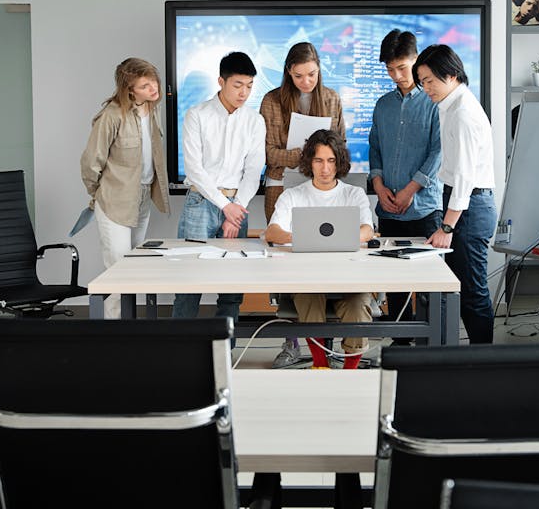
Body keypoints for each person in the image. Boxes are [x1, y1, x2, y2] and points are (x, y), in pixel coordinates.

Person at [260, 41, 345, 368]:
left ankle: (329, 344)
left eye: (311, 74)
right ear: (288, 73)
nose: (306, 81)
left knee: (326, 262)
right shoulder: (271, 101)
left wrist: (319, 158)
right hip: (282, 185)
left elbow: (340, 146)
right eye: (298, 76)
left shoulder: (332, 99)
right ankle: (291, 342)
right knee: (285, 265)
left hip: (322, 187)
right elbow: (267, 153)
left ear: (319, 69)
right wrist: (304, 154)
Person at [171, 51, 266, 329]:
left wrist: (234, 209)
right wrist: (226, 208)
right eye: (238, 85)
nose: (244, 92)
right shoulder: (197, 115)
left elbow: (253, 171)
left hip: (238, 204)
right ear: (221, 81)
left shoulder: (254, 121)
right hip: (201, 203)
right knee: (190, 283)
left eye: (249, 86)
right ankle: (180, 351)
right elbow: (194, 170)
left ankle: (226, 351)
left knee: (232, 288)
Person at [265, 129, 374, 369]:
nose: (325, 168)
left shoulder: (353, 194)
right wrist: (304, 237)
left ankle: (349, 371)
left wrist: (342, 239)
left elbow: (368, 230)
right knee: (308, 298)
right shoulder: (293, 195)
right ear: (309, 163)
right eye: (319, 160)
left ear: (339, 163)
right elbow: (272, 233)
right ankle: (320, 364)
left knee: (357, 307)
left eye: (331, 161)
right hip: (308, 278)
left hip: (350, 278)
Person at [414, 44, 496, 344]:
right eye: (422, 82)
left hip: (470, 205)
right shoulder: (450, 106)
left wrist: (447, 226)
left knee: (473, 292)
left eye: (429, 81)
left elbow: (464, 177)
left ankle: (483, 363)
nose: (426, 88)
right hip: (463, 203)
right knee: (453, 287)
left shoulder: (462, 113)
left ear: (450, 74)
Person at [81, 56, 170, 318]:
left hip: (142, 196)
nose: (153, 88)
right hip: (114, 200)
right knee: (117, 269)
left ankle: (131, 329)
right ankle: (113, 333)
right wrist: (98, 193)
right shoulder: (111, 115)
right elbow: (90, 162)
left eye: (153, 80)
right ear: (129, 89)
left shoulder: (152, 110)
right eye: (145, 86)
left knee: (136, 267)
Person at [369, 28, 442, 342]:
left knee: (429, 285)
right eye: (390, 69)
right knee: (395, 284)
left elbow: (439, 151)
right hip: (388, 209)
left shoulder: (434, 101)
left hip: (424, 209)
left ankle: (430, 350)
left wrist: (411, 190)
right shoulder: (383, 105)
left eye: (402, 68)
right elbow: (375, 148)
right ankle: (400, 345)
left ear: (417, 60)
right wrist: (378, 184)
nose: (396, 75)